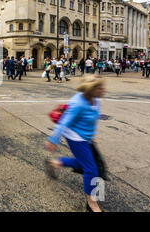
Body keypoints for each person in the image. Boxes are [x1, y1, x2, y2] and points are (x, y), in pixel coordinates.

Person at [45, 75, 106, 212]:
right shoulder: (77, 103)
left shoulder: (95, 100)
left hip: (86, 138)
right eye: (100, 88)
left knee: (83, 163)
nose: (104, 90)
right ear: (91, 89)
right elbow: (63, 122)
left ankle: (55, 163)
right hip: (76, 138)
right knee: (91, 169)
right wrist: (53, 140)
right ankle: (91, 204)